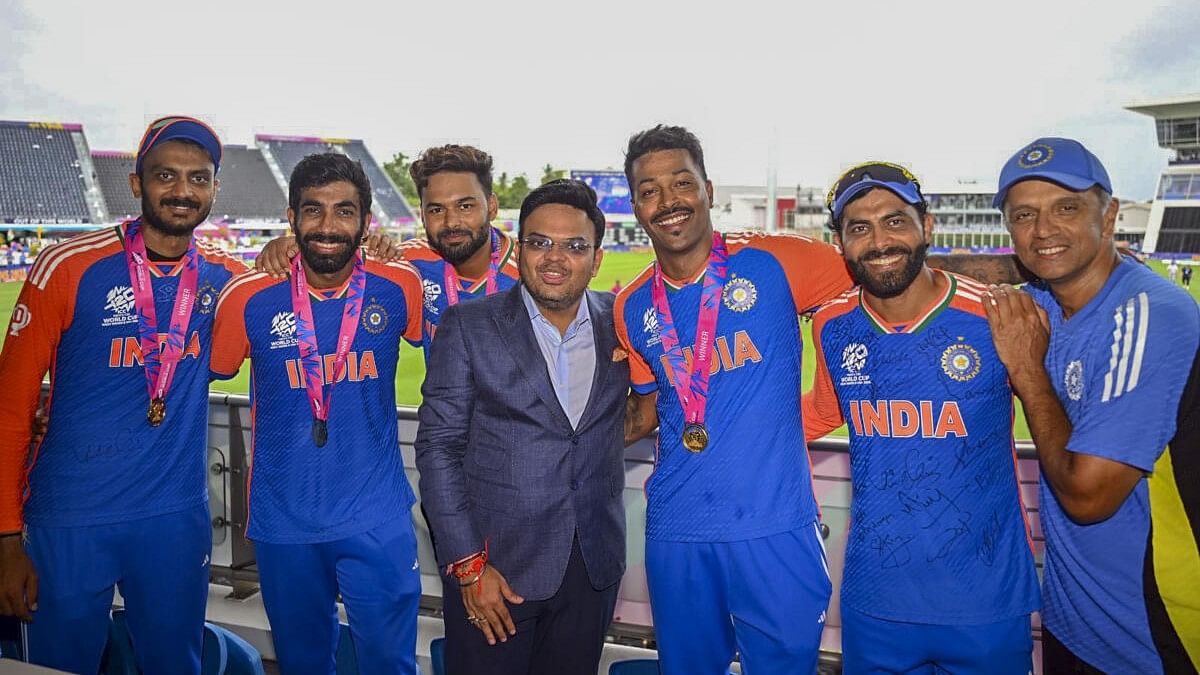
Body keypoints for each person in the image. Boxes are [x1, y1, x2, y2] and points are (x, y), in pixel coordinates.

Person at [0, 116, 247, 673]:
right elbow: (11, 410)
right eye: (165, 175)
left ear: (212, 189)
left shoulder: (228, 280)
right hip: (70, 517)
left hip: (174, 519)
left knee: (174, 664)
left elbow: (307, 300)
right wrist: (6, 536)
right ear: (136, 184)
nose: (182, 190)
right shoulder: (67, 267)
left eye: (198, 178)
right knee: (57, 667)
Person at [803, 161, 1039, 673]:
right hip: (875, 602)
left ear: (926, 225)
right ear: (840, 243)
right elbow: (822, 410)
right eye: (859, 228)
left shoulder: (995, 316)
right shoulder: (832, 324)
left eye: (895, 220)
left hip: (985, 601)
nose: (880, 240)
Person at [983, 137, 1199, 674]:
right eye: (1024, 215)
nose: (1043, 230)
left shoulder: (1149, 315)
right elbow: (964, 283)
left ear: (1110, 218)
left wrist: (1028, 370)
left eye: (1067, 208)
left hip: (1150, 636)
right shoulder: (1047, 305)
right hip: (1074, 625)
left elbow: (1087, 496)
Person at [210, 153, 425, 674]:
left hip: (377, 513)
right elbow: (198, 375)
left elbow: (461, 264)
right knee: (304, 664)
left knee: (389, 664)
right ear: (291, 218)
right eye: (313, 211)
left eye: (344, 212)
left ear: (366, 223)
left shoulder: (401, 285)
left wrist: (399, 247)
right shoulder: (249, 296)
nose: (328, 226)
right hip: (285, 518)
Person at [415, 179, 627, 675]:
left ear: (596, 259)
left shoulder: (619, 323)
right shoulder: (468, 325)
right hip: (495, 570)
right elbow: (438, 449)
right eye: (539, 242)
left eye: (574, 246)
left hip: (592, 567)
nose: (555, 258)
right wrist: (467, 566)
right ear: (519, 249)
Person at [400, 145, 521, 355]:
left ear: (491, 206)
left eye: (465, 206)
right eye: (437, 210)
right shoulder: (408, 261)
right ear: (422, 215)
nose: (452, 222)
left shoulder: (529, 270)